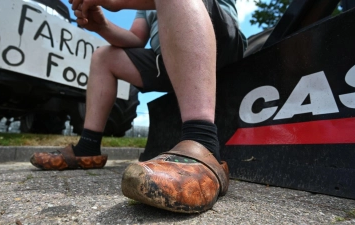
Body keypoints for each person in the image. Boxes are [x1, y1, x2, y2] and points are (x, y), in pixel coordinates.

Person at [30, 0, 246, 213]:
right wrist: (103, 26)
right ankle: (87, 148)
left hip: (219, 39)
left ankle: (203, 140)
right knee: (104, 57)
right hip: (166, 57)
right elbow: (136, 38)